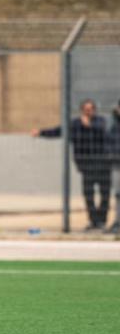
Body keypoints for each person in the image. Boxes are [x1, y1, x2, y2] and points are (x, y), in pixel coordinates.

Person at [33, 99, 110, 230]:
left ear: (94, 110)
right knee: (88, 194)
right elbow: (58, 131)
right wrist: (41, 133)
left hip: (102, 163)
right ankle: (93, 221)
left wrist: (89, 125)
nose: (88, 112)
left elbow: (104, 132)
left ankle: (102, 220)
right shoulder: (75, 124)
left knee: (105, 193)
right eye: (86, 109)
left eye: (91, 109)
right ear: (82, 111)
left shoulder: (100, 121)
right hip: (86, 165)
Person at [107, 102, 120, 234]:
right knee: (118, 194)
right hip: (117, 164)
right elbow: (108, 143)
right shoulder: (113, 125)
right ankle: (118, 222)